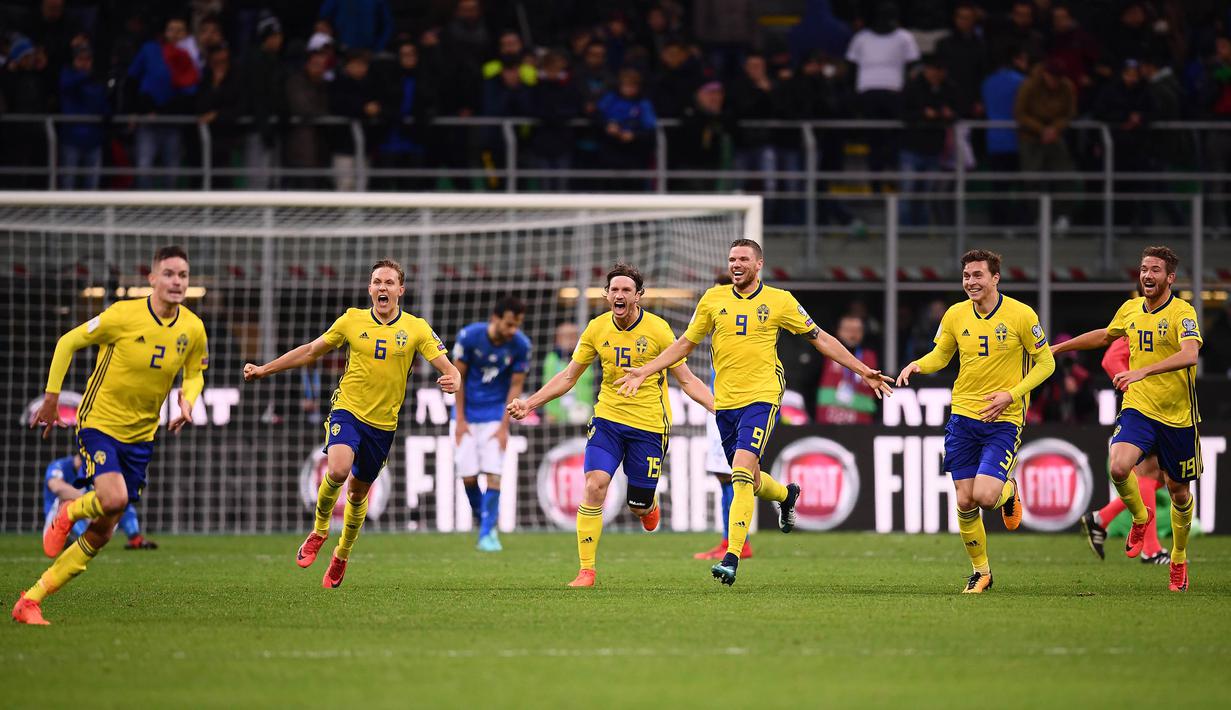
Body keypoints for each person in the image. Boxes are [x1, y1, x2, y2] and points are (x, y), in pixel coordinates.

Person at [617, 240, 893, 585]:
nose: (736, 264)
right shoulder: (712, 300)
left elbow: (820, 338)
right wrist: (646, 370)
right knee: (750, 476)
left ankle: (732, 556)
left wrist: (860, 369)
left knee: (741, 473)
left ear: (758, 264)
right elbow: (685, 343)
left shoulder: (780, 301)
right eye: (732, 259)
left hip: (762, 397)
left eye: (743, 259)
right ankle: (786, 494)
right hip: (725, 402)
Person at [14, 246, 207, 625]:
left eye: (183, 275)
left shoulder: (193, 328)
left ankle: (31, 599)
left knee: (105, 529)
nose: (177, 282)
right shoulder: (123, 316)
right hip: (99, 422)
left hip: (141, 435)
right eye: (168, 274)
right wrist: (52, 400)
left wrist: (188, 400)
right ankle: (70, 509)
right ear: (151, 279)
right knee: (114, 497)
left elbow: (195, 371)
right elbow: (67, 342)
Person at [242, 259, 459, 588]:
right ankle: (318, 530)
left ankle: (342, 554)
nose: (382, 288)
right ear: (370, 288)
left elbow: (447, 366)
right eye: (377, 282)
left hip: (383, 425)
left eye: (389, 282)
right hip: (348, 410)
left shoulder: (416, 328)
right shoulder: (351, 320)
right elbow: (312, 351)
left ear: (401, 290)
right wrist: (264, 369)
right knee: (339, 470)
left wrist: (453, 376)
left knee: (358, 494)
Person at [508, 264, 715, 587]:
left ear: (639, 296)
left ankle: (647, 505)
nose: (619, 295)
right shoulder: (596, 328)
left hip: (649, 425)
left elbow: (687, 380)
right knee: (594, 484)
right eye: (614, 290)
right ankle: (586, 570)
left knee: (638, 504)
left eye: (626, 290)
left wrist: (719, 408)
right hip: (608, 420)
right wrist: (529, 403)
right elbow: (568, 376)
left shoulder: (659, 331)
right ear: (606, 294)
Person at [895, 249, 1055, 594]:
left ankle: (1008, 490)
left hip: (1004, 418)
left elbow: (1046, 364)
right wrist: (918, 364)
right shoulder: (955, 314)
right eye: (967, 276)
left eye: (978, 275)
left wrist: (1012, 395)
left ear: (995, 278)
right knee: (965, 501)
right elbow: (942, 355)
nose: (971, 282)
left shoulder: (1021, 315)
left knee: (985, 495)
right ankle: (981, 572)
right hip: (963, 417)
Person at [1052, 246, 1202, 592]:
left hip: (1178, 417)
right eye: (1144, 269)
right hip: (1139, 408)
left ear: (1170, 278)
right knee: (1119, 467)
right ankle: (1139, 516)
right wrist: (1061, 348)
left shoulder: (1183, 311)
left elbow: (1191, 354)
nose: (1147, 275)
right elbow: (1106, 336)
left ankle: (1178, 557)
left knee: (1179, 493)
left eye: (1155, 270)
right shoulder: (1130, 309)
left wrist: (1143, 370)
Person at [1076, 334, 1169, 564]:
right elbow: (1111, 359)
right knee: (1148, 473)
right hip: (1146, 409)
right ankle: (1151, 548)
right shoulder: (1139, 318)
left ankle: (1101, 518)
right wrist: (1135, 387)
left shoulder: (1166, 318)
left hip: (1164, 406)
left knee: (1161, 477)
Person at [452, 298, 531, 552]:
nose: (512, 330)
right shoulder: (469, 337)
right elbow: (457, 378)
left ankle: (486, 533)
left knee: (494, 474)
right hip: (467, 415)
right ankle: (486, 523)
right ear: (495, 319)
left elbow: (516, 386)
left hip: (496, 415)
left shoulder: (520, 345)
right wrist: (460, 420)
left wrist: (504, 425)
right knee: (468, 477)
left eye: (516, 325)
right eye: (508, 324)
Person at [693, 273, 754, 562]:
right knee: (723, 475)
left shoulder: (743, 329)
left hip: (733, 405)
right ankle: (730, 539)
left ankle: (736, 541)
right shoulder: (717, 329)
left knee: (733, 473)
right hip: (717, 403)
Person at [44, 454, 156, 550]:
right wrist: (87, 499)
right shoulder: (60, 466)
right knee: (67, 500)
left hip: (87, 516)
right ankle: (77, 538)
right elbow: (56, 487)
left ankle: (134, 538)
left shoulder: (93, 470)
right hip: (56, 520)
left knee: (119, 500)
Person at [816, 314, 880, 425]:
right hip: (827, 426)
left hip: (863, 427)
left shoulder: (872, 357)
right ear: (838, 331)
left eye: (857, 330)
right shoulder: (823, 355)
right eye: (848, 330)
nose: (853, 334)